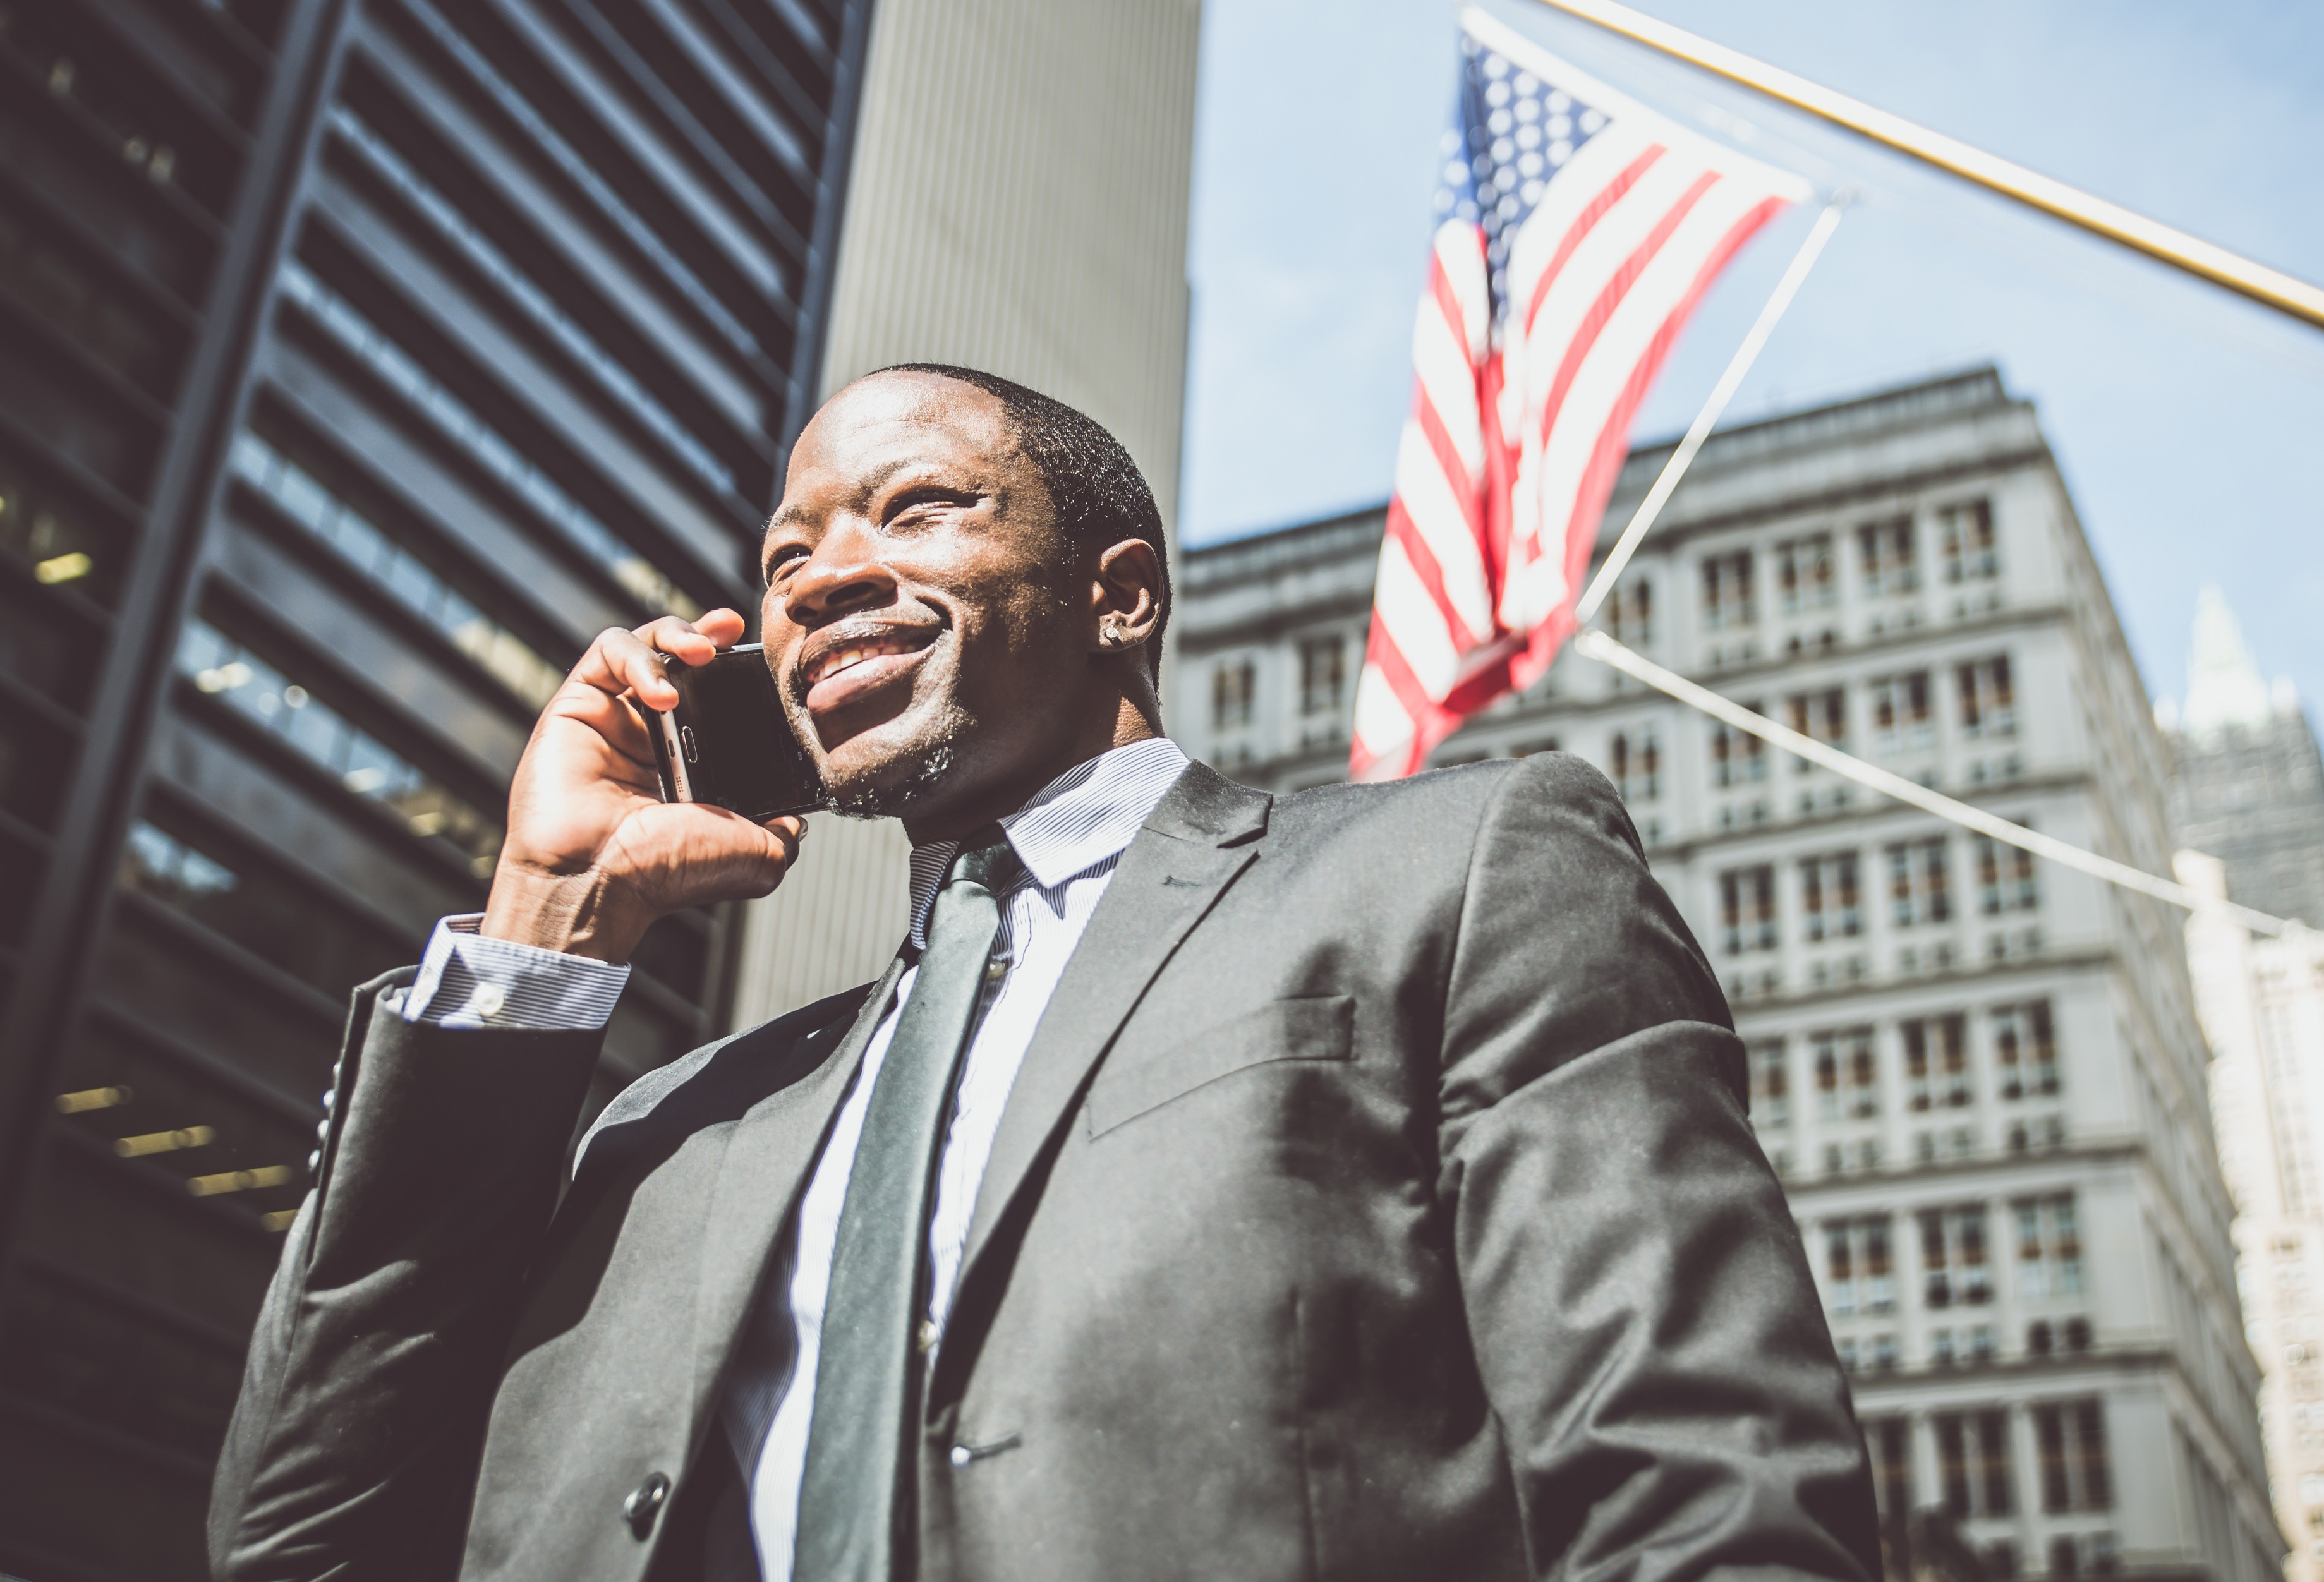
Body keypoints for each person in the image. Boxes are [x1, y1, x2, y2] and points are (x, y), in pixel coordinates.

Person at [208, 366, 1879, 1582]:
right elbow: (301, 1541)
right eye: (786, 565)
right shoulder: (678, 1124)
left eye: (917, 509)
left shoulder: (1450, 876)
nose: (821, 583)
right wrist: (543, 919)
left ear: (1119, 597)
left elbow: (1705, 1491)